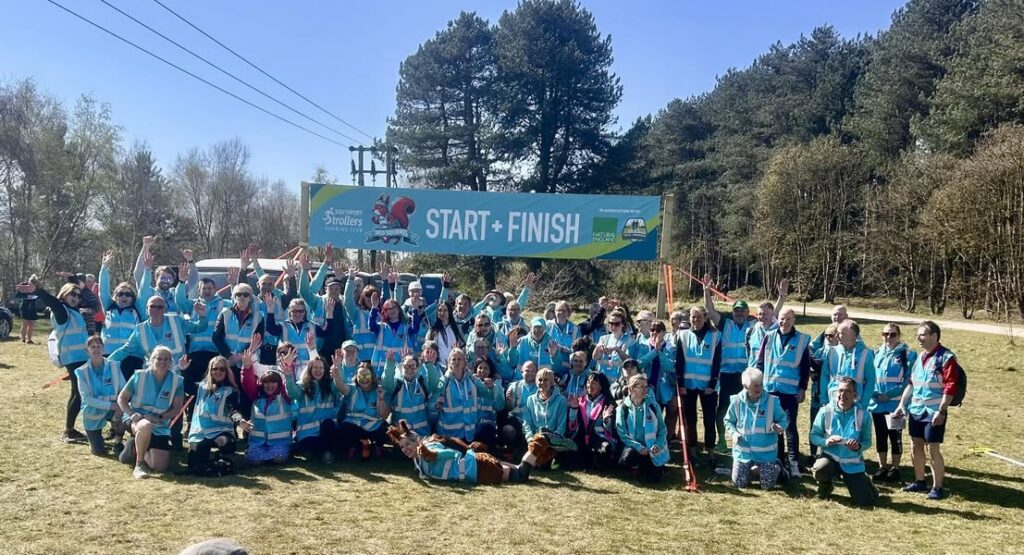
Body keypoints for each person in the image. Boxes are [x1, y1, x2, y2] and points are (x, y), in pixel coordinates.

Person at [17, 278, 91, 443]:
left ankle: (70, 429)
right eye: (72, 294)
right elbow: (53, 302)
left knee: (76, 393)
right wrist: (37, 290)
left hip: (81, 357)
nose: (76, 298)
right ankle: (69, 431)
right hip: (73, 359)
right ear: (64, 294)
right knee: (79, 393)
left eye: (78, 295)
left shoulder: (74, 312)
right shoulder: (62, 311)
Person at [387, 420, 575, 485]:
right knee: (519, 469)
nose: (406, 449)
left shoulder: (428, 447)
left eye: (408, 444)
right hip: (475, 464)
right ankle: (547, 445)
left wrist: (432, 454)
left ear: (416, 439)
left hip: (479, 470)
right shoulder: (419, 457)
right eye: (402, 447)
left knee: (520, 476)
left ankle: (541, 440)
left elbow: (449, 454)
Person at [893, 321, 960, 501]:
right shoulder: (920, 357)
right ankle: (919, 481)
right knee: (916, 445)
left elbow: (950, 387)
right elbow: (912, 384)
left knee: (933, 449)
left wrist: (942, 410)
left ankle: (937, 487)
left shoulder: (946, 358)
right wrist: (902, 405)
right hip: (916, 410)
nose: (918, 338)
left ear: (934, 336)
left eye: (922, 334)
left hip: (934, 412)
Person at [755, 307, 811, 477]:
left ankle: (793, 463)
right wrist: (758, 384)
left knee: (790, 426)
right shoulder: (769, 336)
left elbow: (805, 367)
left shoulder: (801, 340)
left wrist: (802, 388)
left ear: (793, 320)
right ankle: (778, 460)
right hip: (771, 389)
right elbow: (760, 362)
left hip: (790, 392)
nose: (784, 322)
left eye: (787, 319)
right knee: (774, 427)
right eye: (781, 318)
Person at [117, 346, 184, 479]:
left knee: (159, 467)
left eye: (166, 359)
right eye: (159, 358)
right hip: (137, 418)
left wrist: (160, 417)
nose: (162, 362)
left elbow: (176, 408)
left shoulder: (177, 381)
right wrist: (131, 414)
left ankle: (133, 447)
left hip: (159, 423)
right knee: (145, 426)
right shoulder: (139, 376)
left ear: (171, 362)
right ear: (152, 360)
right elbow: (122, 399)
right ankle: (139, 465)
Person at [810, 377, 877, 507]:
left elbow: (868, 442)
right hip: (830, 458)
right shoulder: (825, 411)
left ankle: (866, 484)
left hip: (851, 463)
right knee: (819, 469)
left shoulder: (863, 415)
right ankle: (825, 486)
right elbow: (814, 436)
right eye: (840, 390)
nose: (843, 394)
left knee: (865, 502)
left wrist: (858, 446)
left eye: (848, 391)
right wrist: (826, 441)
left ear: (855, 395)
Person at [724, 368, 788, 489]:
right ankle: (754, 471)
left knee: (766, 486)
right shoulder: (736, 401)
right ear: (745, 386)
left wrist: (779, 426)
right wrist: (733, 434)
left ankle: (777, 467)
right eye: (755, 385)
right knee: (738, 484)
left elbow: (783, 420)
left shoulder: (772, 402)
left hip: (766, 453)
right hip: (743, 452)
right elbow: (728, 421)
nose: (759, 388)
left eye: (761, 384)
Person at [869, 323, 915, 483]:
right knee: (880, 436)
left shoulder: (908, 355)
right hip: (877, 404)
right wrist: (875, 394)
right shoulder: (876, 353)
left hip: (896, 405)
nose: (889, 337)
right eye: (885, 334)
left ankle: (895, 468)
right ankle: (882, 466)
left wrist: (889, 395)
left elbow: (908, 381)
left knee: (895, 437)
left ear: (899, 336)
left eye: (893, 334)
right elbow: (870, 377)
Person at [675, 306, 722, 465]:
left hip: (708, 386)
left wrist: (712, 384)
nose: (696, 320)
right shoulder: (683, 335)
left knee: (709, 419)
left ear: (705, 318)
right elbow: (679, 361)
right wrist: (681, 384)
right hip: (688, 385)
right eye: (693, 317)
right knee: (691, 419)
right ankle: (693, 450)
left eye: (699, 317)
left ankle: (711, 451)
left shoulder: (715, 336)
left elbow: (717, 362)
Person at [186, 356, 246, 474]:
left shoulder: (231, 390)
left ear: (226, 371)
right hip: (201, 432)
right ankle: (214, 463)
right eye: (215, 369)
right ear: (210, 370)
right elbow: (188, 387)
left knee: (223, 441)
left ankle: (228, 458)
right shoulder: (202, 386)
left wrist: (240, 420)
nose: (218, 372)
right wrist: (184, 370)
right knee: (193, 465)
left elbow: (232, 409)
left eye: (222, 369)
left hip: (221, 431)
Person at [239, 343, 293, 465]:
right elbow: (247, 381)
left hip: (279, 441)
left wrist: (288, 367)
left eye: (273, 382)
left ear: (279, 384)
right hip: (258, 441)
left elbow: (289, 384)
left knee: (279, 459)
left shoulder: (285, 395)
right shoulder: (256, 395)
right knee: (254, 462)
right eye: (266, 382)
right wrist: (247, 367)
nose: (270, 385)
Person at [75, 336, 126, 456]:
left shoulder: (114, 366)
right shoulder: (82, 372)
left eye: (99, 346)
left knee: (125, 414)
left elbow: (123, 390)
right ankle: (97, 439)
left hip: (114, 408)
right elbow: (86, 398)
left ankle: (118, 441)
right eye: (92, 347)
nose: (96, 349)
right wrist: (110, 405)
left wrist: (119, 407)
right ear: (87, 350)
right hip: (93, 412)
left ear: (103, 348)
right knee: (98, 451)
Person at [287, 355, 344, 464]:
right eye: (315, 368)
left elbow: (339, 386)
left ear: (325, 370)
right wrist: (288, 375)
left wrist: (338, 370)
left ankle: (327, 454)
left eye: (321, 368)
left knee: (329, 424)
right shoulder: (303, 385)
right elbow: (292, 393)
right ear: (310, 369)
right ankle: (308, 449)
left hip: (326, 430)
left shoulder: (330, 385)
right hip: (307, 433)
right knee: (312, 448)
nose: (318, 370)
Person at [616, 374, 669, 483]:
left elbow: (662, 429)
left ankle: (650, 467)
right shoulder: (623, 408)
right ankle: (635, 467)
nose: (645, 390)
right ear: (631, 389)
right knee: (628, 457)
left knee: (654, 481)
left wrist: (658, 445)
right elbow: (622, 434)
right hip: (634, 448)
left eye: (646, 386)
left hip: (652, 449)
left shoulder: (653, 405)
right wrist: (639, 447)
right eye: (641, 387)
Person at [337, 362, 391, 460]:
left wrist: (381, 399)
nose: (364, 379)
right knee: (344, 430)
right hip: (355, 425)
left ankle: (371, 446)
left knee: (387, 431)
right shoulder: (352, 388)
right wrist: (336, 374)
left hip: (374, 426)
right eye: (361, 376)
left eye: (367, 376)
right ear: (356, 377)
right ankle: (361, 446)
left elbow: (384, 416)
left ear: (372, 376)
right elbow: (341, 387)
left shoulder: (380, 389)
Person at [434, 348, 489, 444]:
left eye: (459, 359)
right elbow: (434, 401)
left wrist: (492, 387)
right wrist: (436, 404)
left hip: (470, 434)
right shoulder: (443, 381)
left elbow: (486, 393)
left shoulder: (472, 379)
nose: (456, 362)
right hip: (449, 435)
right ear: (449, 363)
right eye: (453, 359)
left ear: (464, 362)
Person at [98, 250, 146, 359]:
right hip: (108, 353)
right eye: (120, 294)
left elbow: (144, 291)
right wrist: (104, 268)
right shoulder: (109, 307)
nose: (124, 297)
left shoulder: (136, 309)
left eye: (128, 294)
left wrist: (147, 271)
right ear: (115, 296)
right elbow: (103, 290)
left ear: (132, 298)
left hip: (130, 354)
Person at [819, 320, 876, 411]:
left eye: (840, 333)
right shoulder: (832, 351)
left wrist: (864, 404)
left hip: (855, 405)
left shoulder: (866, 354)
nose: (836, 336)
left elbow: (870, 380)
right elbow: (824, 376)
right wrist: (823, 399)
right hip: (832, 402)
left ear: (853, 336)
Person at [565, 371, 618, 470]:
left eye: (593, 383)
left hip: (600, 438)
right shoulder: (579, 401)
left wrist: (606, 420)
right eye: (588, 382)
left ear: (601, 386)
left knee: (604, 452)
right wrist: (573, 409)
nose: (589, 385)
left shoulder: (609, 403)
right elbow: (572, 425)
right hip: (581, 438)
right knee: (572, 459)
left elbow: (612, 430)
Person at [808, 323, 838, 461]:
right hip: (817, 390)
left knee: (829, 423)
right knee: (815, 422)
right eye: (826, 336)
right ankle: (813, 453)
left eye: (831, 336)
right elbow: (812, 368)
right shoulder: (820, 351)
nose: (828, 338)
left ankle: (826, 453)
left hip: (832, 393)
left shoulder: (839, 353)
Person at [382, 353, 432, 437]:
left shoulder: (422, 382)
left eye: (413, 366)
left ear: (417, 367)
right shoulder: (396, 384)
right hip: (401, 434)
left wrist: (429, 364)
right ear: (401, 367)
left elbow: (434, 381)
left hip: (422, 432)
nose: (409, 369)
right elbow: (386, 382)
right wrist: (390, 364)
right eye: (406, 366)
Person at [522, 367, 568, 441]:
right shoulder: (530, 399)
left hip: (554, 440)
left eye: (546, 380)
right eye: (540, 380)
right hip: (535, 439)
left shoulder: (561, 400)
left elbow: (561, 426)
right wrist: (530, 438)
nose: (542, 382)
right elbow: (527, 422)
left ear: (552, 382)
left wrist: (552, 440)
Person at [593, 309, 635, 382]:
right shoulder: (603, 339)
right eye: (611, 323)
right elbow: (595, 357)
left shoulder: (629, 341)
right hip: (602, 381)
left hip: (618, 381)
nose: (613, 326)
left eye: (617, 324)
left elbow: (630, 362)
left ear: (623, 324)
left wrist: (617, 350)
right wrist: (598, 349)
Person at [425, 300, 464, 368]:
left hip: (454, 365)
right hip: (438, 366)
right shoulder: (432, 330)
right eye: (440, 310)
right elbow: (427, 347)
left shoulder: (457, 328)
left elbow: (463, 346)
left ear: (449, 312)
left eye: (445, 310)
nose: (442, 313)